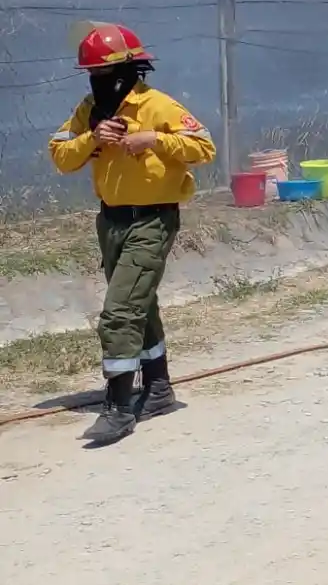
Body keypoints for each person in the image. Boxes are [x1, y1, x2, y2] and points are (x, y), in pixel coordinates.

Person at [48, 24, 216, 445]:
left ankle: (119, 405)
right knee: (139, 301)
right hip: (112, 221)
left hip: (153, 219)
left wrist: (155, 139)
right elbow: (60, 156)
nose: (98, 82)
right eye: (92, 74)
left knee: (121, 309)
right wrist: (91, 138)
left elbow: (204, 147)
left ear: (129, 70)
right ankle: (157, 387)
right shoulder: (88, 110)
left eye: (105, 74)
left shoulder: (156, 105)